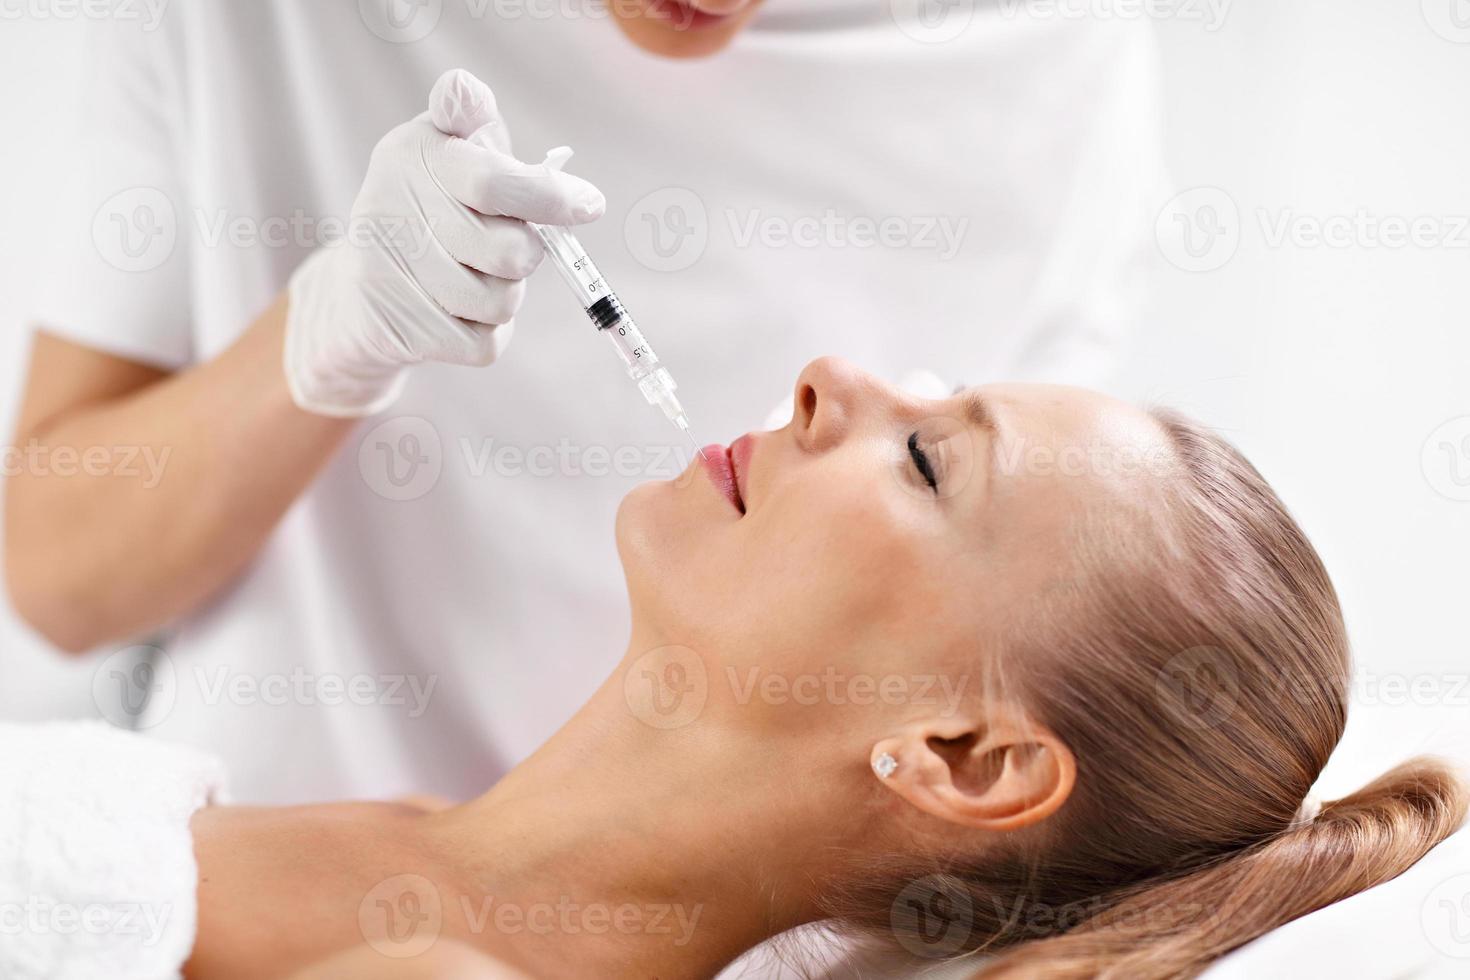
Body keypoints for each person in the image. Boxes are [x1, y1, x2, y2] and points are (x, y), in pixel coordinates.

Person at [5, 2, 1164, 803]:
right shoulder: (178, 882)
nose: (829, 373)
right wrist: (325, 333)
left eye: (925, 444)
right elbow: (53, 569)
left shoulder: (1058, 49)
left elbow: (1030, 623)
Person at [172, 359, 1460, 978]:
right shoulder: (324, 807)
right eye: (927, 401)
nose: (830, 378)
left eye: (928, 462)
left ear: (971, 756)